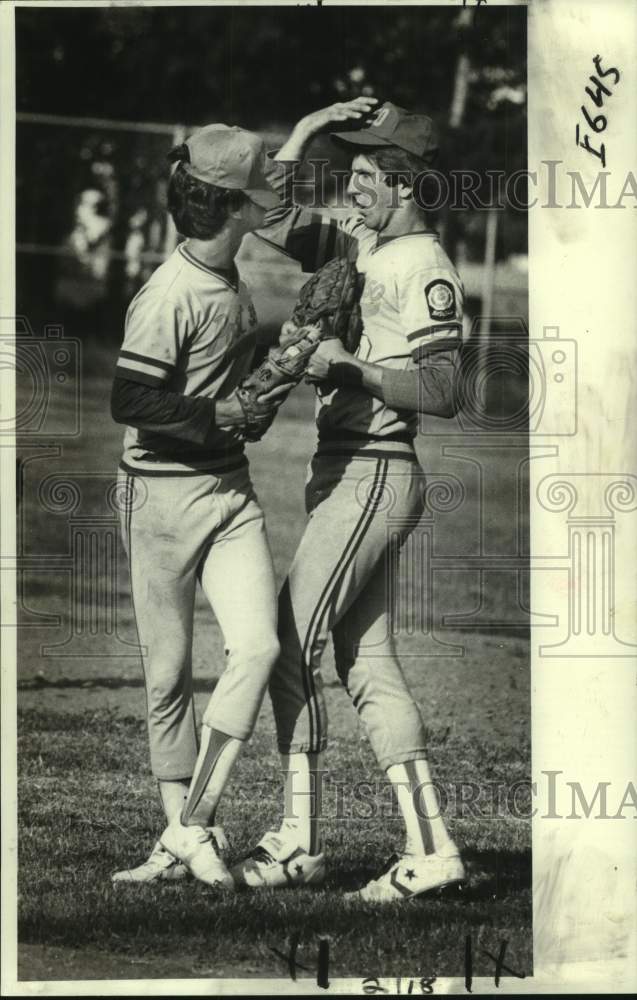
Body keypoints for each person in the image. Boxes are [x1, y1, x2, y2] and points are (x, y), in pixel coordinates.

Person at [231, 100, 466, 902]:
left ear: (402, 183)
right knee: (365, 665)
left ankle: (297, 839)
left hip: (374, 471)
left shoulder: (421, 265)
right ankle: (430, 850)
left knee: (286, 642)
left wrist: (352, 369)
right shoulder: (366, 242)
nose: (353, 182)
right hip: (345, 471)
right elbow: (271, 212)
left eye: (366, 172)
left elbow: (444, 388)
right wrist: (304, 129)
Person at [109, 123, 290, 888]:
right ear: (229, 206)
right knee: (170, 674)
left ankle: (187, 828)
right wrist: (217, 414)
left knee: (258, 648)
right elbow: (130, 397)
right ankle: (183, 834)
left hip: (229, 492)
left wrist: (279, 372)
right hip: (159, 497)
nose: (270, 197)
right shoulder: (171, 291)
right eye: (256, 191)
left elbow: (234, 401)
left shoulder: (231, 281)